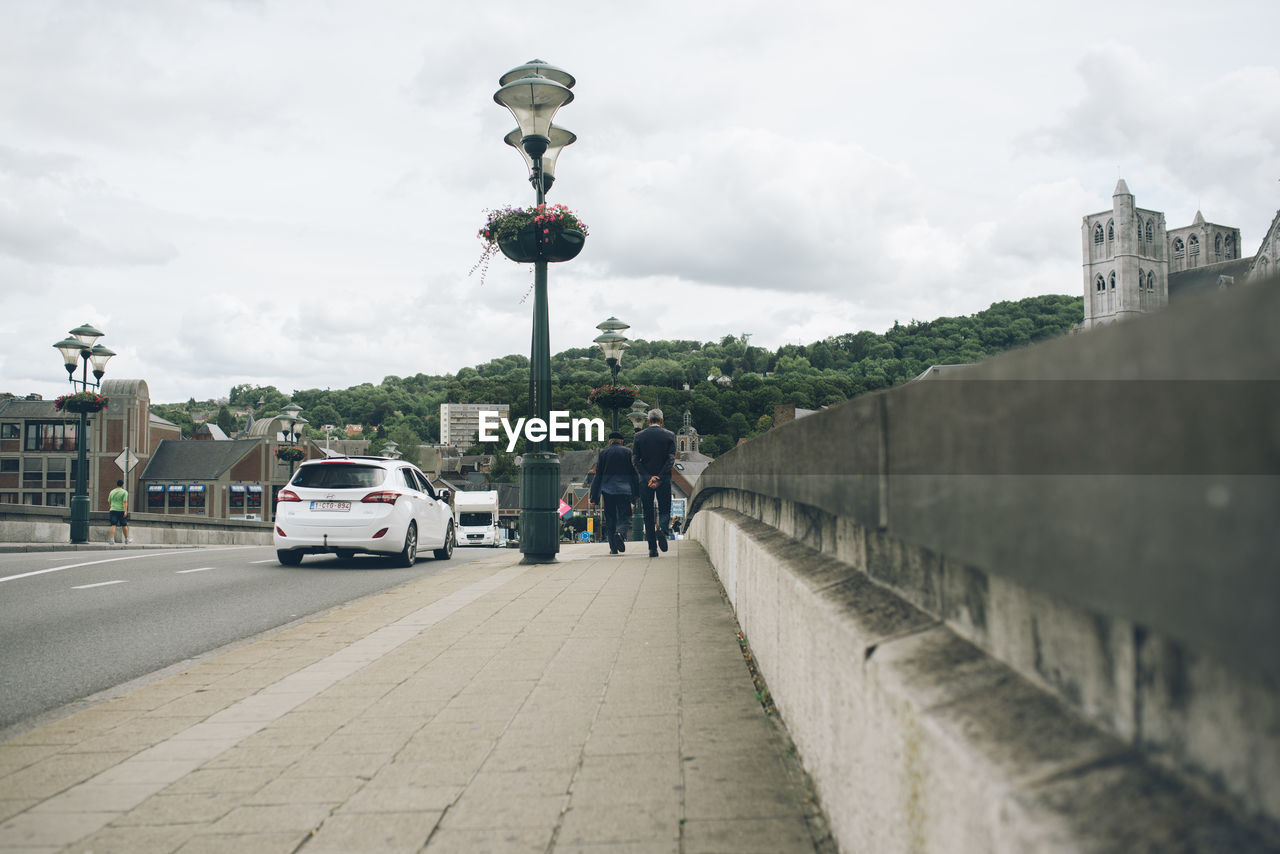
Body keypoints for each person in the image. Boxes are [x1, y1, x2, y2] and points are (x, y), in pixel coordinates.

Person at [632, 408, 676, 557]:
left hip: (645, 480)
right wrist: (659, 477)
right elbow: (671, 459)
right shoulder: (670, 436)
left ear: (648, 421)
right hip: (664, 479)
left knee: (648, 513)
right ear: (661, 421)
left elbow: (635, 460)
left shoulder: (639, 436)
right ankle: (662, 530)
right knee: (665, 508)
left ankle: (652, 548)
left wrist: (647, 476)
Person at [589, 431, 639, 555]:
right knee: (625, 516)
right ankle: (620, 534)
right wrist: (637, 493)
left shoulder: (603, 453)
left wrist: (594, 496)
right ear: (621, 441)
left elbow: (598, 476)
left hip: (608, 491)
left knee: (610, 519)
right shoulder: (628, 452)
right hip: (624, 490)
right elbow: (634, 475)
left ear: (609, 442)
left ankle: (613, 548)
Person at [107, 479, 132, 545]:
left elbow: (109, 501)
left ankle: (112, 540)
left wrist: (111, 507)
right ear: (122, 485)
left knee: (113, 524)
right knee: (124, 525)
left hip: (113, 510)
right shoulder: (124, 492)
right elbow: (125, 502)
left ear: (117, 484)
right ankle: (126, 539)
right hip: (121, 510)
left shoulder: (112, 491)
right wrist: (125, 511)